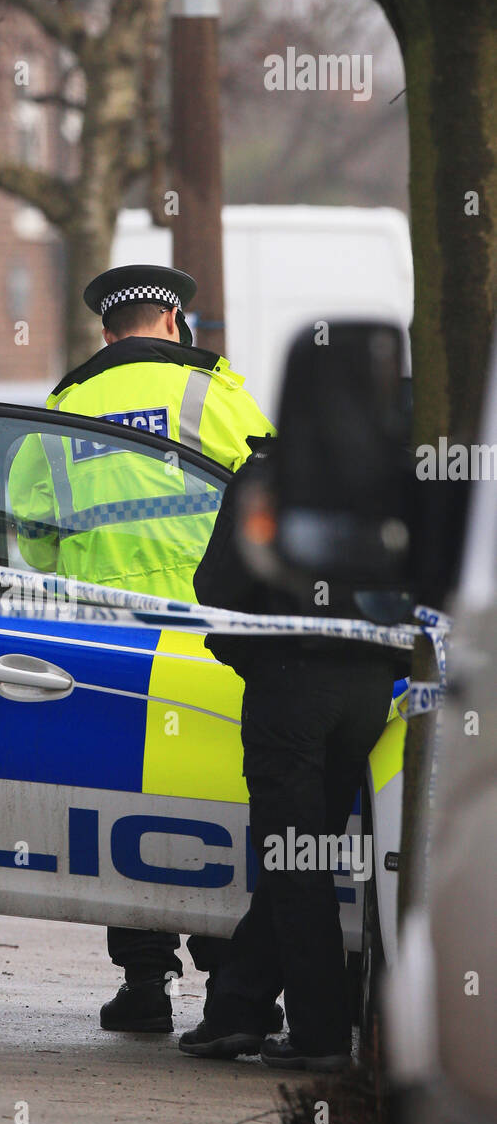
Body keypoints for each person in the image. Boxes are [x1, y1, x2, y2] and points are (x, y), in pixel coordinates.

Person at [9, 264, 276, 1033]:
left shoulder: (67, 404)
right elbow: (267, 490)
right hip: (208, 634)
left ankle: (143, 987)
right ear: (173, 323)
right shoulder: (214, 392)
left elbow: (34, 535)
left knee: (122, 797)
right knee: (213, 795)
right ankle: (228, 983)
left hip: (108, 634)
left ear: (105, 331)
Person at [178, 435, 407, 1070]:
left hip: (292, 687)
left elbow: (216, 583)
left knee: (293, 861)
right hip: (368, 691)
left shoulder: (273, 473)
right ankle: (238, 1010)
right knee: (301, 858)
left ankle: (322, 1034)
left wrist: (252, 658)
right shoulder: (393, 471)